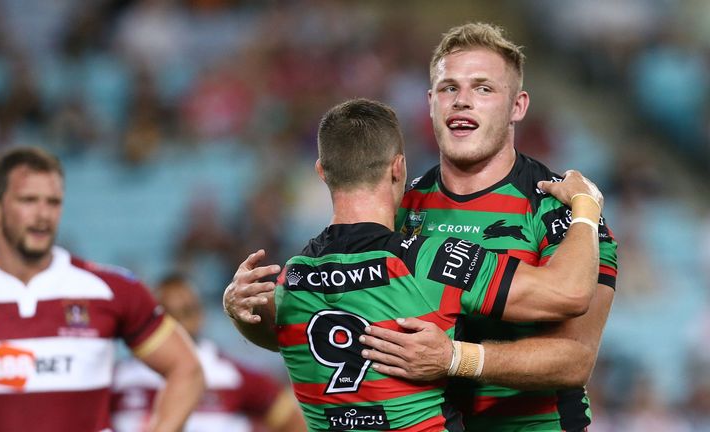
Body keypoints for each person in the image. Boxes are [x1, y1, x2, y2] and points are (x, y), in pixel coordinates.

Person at [225, 23, 618, 432]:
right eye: (449, 88)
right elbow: (331, 334)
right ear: (430, 102)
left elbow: (576, 360)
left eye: (483, 89)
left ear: (517, 106)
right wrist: (249, 315)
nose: (462, 101)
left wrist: (455, 358)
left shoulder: (563, 215)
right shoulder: (394, 208)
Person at [0, 146, 203, 432]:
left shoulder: (110, 290)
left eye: (53, 202)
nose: (43, 215)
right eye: (28, 200)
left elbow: (185, 369)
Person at [111, 273, 307, 432]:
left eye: (186, 311)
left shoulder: (232, 375)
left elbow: (292, 422)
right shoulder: (118, 378)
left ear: (201, 315)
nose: (178, 322)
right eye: (168, 312)